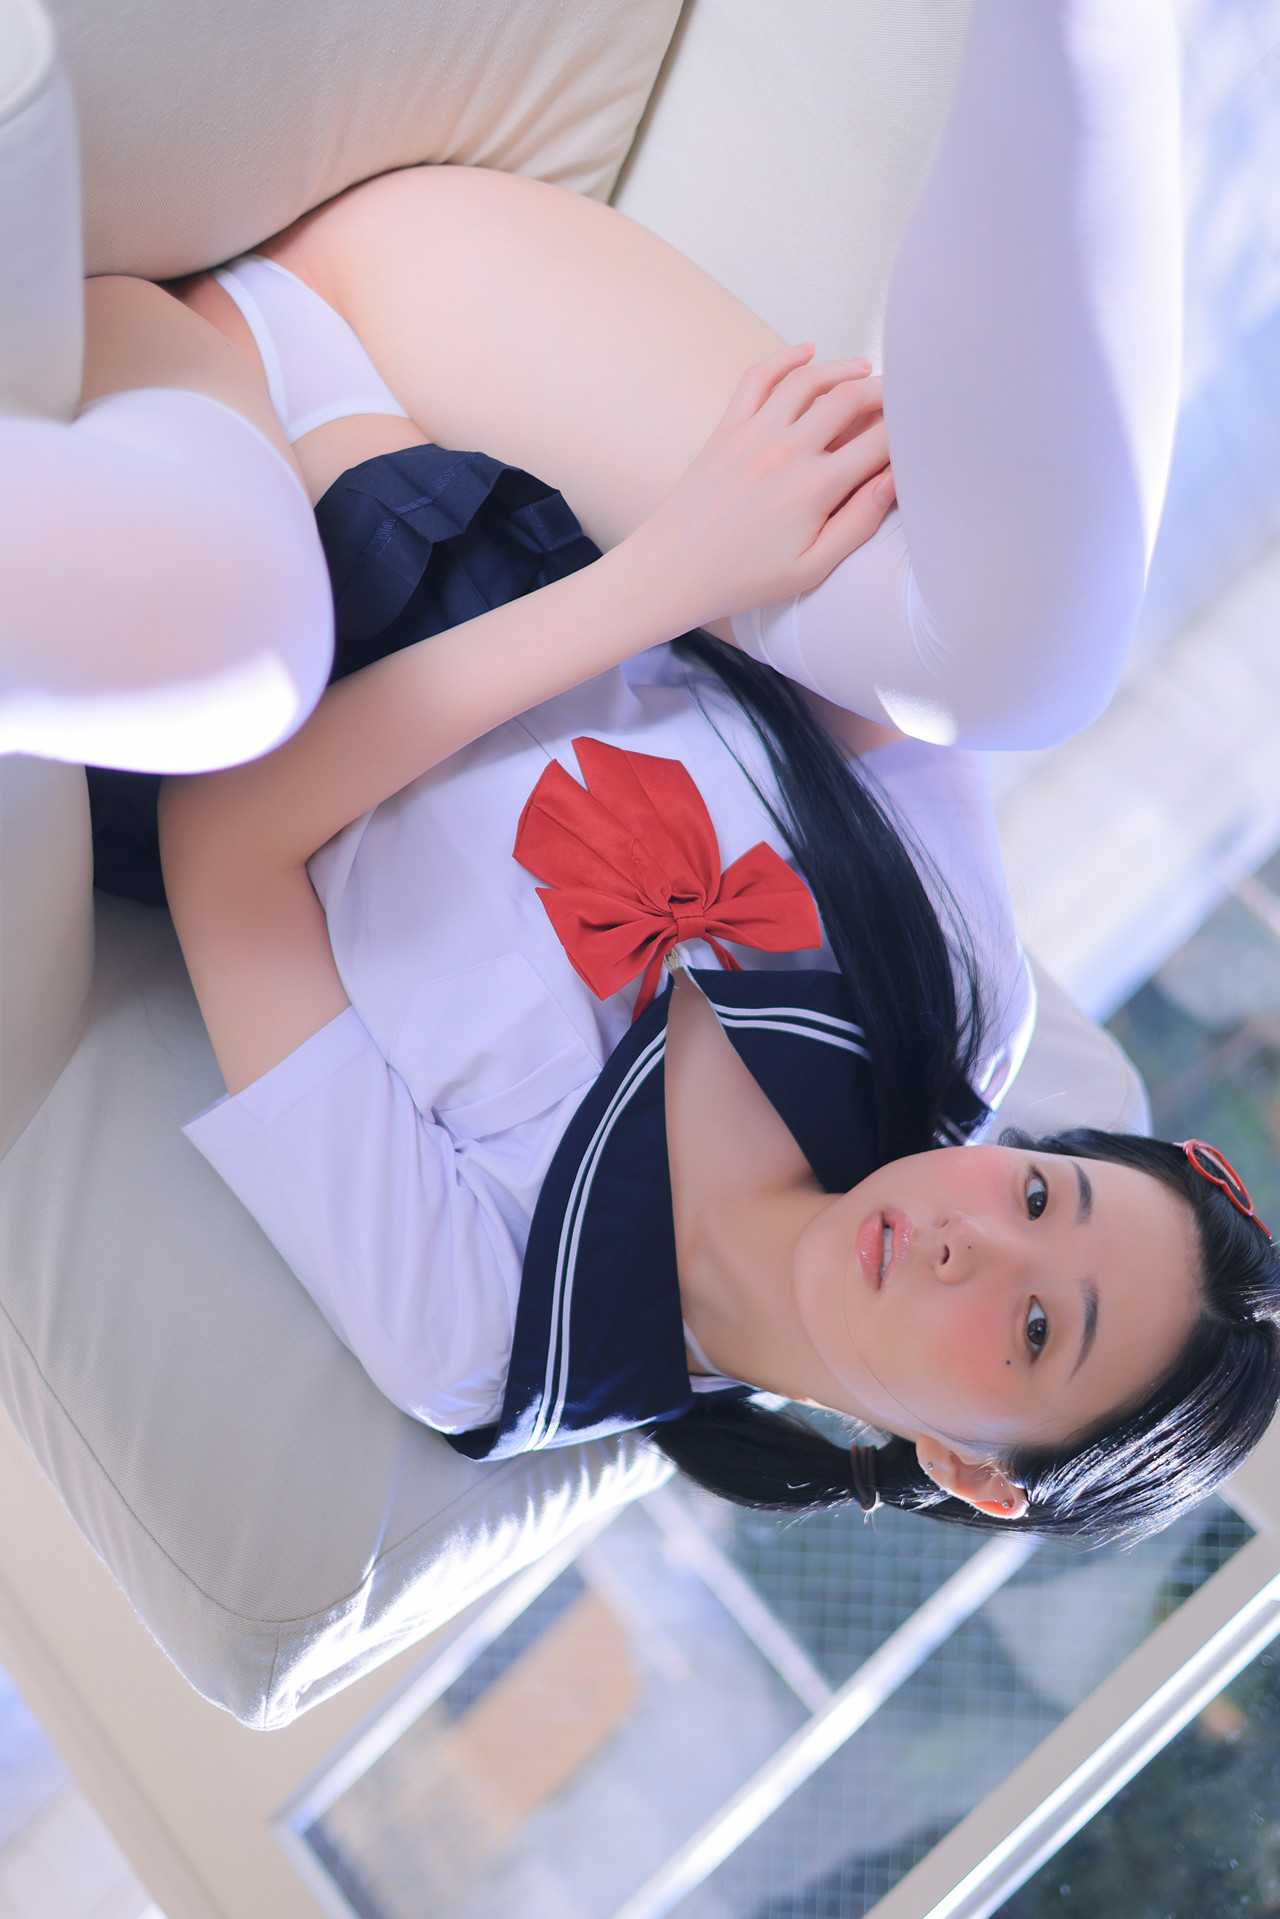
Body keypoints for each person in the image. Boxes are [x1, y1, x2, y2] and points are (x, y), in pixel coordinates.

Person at [7, 1, 1278, 1548]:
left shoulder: (495, 1333)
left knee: (241, 647)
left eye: (1032, 1332)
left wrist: (654, 586)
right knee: (1010, 669)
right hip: (436, 324)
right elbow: (866, 583)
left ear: (971, 1471)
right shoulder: (951, 1003)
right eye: (1034, 1197)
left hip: (201, 556)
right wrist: (689, 571)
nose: (975, 1243)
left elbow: (225, 849)